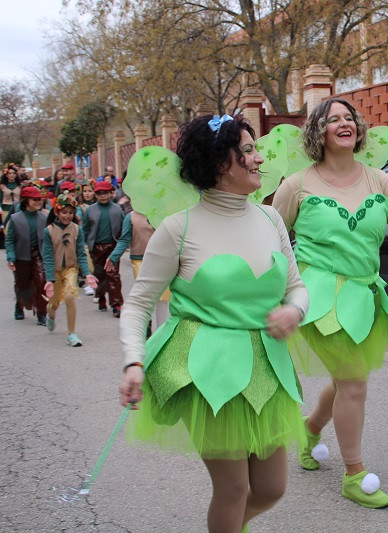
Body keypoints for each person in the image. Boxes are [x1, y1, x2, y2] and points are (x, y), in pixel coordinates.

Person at [118, 114, 308, 532]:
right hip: (209, 370)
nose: (260, 158)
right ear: (222, 163)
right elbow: (138, 305)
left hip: (267, 367)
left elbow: (296, 287)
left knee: (272, 488)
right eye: (249, 150)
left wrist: (294, 310)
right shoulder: (178, 229)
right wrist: (133, 361)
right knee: (234, 489)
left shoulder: (271, 219)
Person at [273, 98, 388, 509]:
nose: (344, 123)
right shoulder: (298, 184)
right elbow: (271, 236)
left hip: (366, 296)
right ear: (318, 132)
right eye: (333, 119)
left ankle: (310, 428)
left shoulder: (379, 179)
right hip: (318, 297)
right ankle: (355, 474)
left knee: (346, 381)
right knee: (354, 381)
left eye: (349, 118)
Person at [41, 195, 98, 347]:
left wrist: (87, 274)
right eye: (64, 212)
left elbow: (81, 253)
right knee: (54, 304)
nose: (67, 216)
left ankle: (71, 334)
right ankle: (51, 315)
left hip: (71, 269)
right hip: (55, 271)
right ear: (57, 212)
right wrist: (49, 280)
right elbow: (47, 257)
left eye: (71, 212)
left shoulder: (77, 230)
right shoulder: (48, 231)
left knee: (69, 297)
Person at [107, 209, 171, 330]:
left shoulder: (164, 212)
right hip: (140, 260)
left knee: (163, 297)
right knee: (145, 294)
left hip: (162, 259)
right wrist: (113, 257)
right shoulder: (131, 217)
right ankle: (146, 326)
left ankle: (161, 332)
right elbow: (124, 239)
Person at [4, 186, 49, 322]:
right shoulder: (15, 218)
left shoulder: (44, 218)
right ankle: (19, 306)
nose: (38, 202)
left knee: (42, 283)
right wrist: (10, 258)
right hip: (21, 256)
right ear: (25, 201)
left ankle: (42, 313)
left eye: (39, 199)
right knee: (22, 285)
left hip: (39, 255)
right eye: (34, 199)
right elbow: (10, 240)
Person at [82, 180, 124, 316]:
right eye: (99, 193)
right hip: (96, 247)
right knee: (99, 274)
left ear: (111, 193)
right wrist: (82, 245)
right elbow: (85, 229)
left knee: (113, 275)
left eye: (105, 193)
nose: (102, 196)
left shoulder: (117, 209)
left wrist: (123, 245)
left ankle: (116, 304)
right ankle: (100, 297)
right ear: (95, 194)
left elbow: (124, 228)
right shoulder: (90, 210)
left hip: (112, 246)